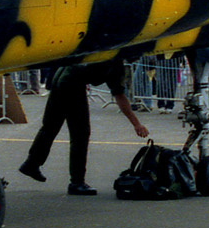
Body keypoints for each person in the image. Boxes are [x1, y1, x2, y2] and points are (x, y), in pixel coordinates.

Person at [19, 60, 149, 195]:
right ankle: (77, 182)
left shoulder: (110, 53)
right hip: (73, 83)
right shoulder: (115, 64)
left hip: (63, 73)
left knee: (50, 126)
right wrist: (136, 124)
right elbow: (120, 96)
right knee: (80, 134)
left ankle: (31, 163)